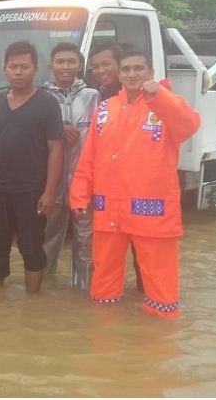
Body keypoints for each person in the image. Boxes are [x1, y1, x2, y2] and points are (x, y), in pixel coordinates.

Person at [70, 49, 200, 318]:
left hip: (152, 211)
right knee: (103, 283)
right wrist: (80, 194)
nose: (131, 74)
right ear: (119, 73)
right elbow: (90, 156)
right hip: (110, 209)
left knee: (160, 284)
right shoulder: (106, 109)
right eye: (126, 69)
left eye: (138, 68)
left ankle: (158, 342)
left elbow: (189, 126)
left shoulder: (166, 104)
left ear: (150, 72)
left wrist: (159, 96)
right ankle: (105, 337)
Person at [0, 41, 64, 293]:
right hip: (1, 187)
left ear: (35, 69)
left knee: (31, 246)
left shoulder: (47, 104)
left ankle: (32, 302)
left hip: (33, 190)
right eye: (13, 66)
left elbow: (56, 149)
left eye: (24, 66)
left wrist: (49, 192)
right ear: (4, 69)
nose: (18, 72)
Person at [41, 42, 99, 288]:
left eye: (71, 62)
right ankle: (42, 284)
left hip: (83, 180)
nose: (65, 67)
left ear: (80, 66)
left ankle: (85, 289)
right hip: (50, 180)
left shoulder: (93, 96)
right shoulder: (41, 98)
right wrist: (57, 129)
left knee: (86, 238)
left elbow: (101, 137)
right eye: (60, 62)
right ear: (50, 66)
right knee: (47, 234)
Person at [89, 42, 145, 291]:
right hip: (109, 185)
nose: (102, 70)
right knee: (108, 250)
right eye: (96, 66)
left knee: (144, 248)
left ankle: (146, 292)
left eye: (106, 64)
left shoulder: (145, 95)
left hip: (139, 183)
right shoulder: (99, 95)